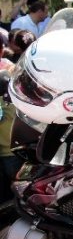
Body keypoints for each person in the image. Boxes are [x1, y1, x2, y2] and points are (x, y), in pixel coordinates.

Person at [0, 41, 22, 203]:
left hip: (12, 149)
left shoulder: (9, 68)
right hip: (11, 149)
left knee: (19, 184)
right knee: (18, 185)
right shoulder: (10, 68)